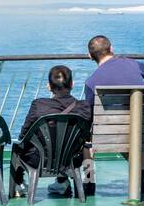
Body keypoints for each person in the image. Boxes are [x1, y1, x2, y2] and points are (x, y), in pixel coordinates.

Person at [82, 36, 144, 198]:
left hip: (108, 134)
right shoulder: (131, 63)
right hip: (138, 128)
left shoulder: (91, 82)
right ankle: (140, 174)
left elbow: (89, 113)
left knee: (85, 140)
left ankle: (89, 181)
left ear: (90, 56)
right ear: (112, 49)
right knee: (140, 132)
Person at [11, 64, 91, 196]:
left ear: (49, 86)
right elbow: (86, 135)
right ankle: (61, 182)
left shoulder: (39, 105)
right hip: (71, 159)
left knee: (19, 148)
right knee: (67, 142)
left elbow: (24, 134)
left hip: (39, 160)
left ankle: (19, 184)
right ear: (72, 84)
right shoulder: (84, 107)